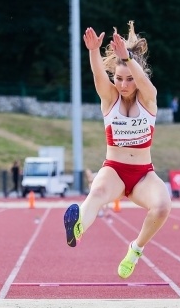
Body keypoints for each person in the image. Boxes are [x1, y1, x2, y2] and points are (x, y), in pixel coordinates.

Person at [63, 21, 171, 279]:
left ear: (137, 78)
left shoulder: (148, 99)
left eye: (129, 79)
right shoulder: (110, 99)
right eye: (118, 78)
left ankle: (135, 250)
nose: (123, 84)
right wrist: (93, 51)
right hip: (114, 170)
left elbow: (147, 84)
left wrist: (126, 57)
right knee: (97, 192)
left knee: (163, 206)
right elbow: (99, 77)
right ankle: (78, 228)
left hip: (143, 174)